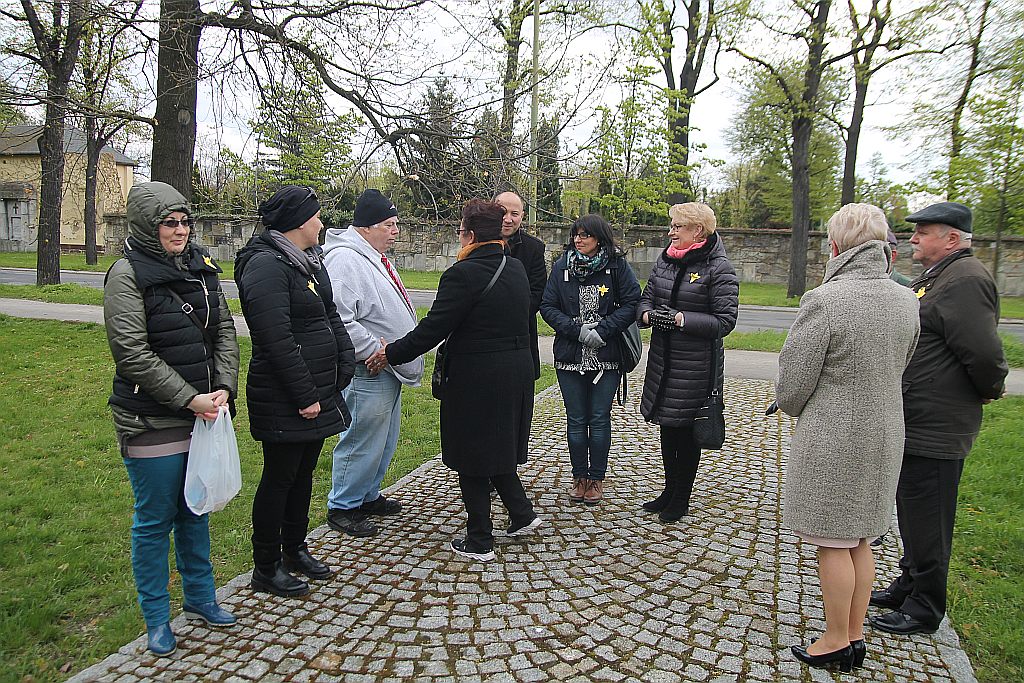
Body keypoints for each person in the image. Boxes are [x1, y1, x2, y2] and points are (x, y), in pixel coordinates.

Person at [775, 203, 920, 672]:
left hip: (836, 437)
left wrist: (795, 405)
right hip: (885, 431)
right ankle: (854, 633)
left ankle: (836, 638)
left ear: (835, 247)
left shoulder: (825, 300)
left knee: (833, 541)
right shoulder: (906, 299)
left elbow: (794, 385)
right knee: (860, 537)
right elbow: (904, 363)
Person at [103, 181, 240, 656]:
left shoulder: (202, 266)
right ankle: (157, 617)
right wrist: (190, 400)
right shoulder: (126, 274)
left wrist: (223, 387)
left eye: (184, 221)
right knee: (156, 518)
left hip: (203, 412)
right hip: (151, 418)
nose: (180, 230)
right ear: (147, 226)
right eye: (169, 222)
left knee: (195, 507)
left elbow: (224, 330)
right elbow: (132, 353)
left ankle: (201, 598)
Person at [368, 199, 540, 562]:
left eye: (460, 229)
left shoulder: (462, 274)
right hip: (516, 370)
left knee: (471, 453)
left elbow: (433, 329)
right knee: (498, 445)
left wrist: (390, 353)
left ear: (470, 234)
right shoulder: (515, 268)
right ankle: (521, 514)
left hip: (478, 376)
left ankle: (480, 537)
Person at [870, 201, 1008, 636]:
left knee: (929, 516)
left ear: (952, 239)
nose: (913, 239)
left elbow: (984, 352)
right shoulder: (940, 276)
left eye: (923, 232)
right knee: (911, 510)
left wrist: (990, 388)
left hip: (938, 421)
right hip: (917, 414)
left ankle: (925, 607)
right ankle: (909, 584)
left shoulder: (966, 280)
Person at [235, 186, 356, 597]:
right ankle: (266, 565)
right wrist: (305, 394)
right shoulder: (266, 266)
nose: (322, 223)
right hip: (286, 393)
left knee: (303, 474)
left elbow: (329, 314)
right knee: (280, 477)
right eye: (317, 216)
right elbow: (275, 338)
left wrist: (344, 361)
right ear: (299, 222)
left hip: (318, 387)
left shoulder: (308, 262)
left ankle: (295, 548)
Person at [323, 190, 424, 538]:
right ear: (366, 227)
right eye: (389, 225)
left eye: (396, 224)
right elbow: (339, 316)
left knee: (385, 436)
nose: (396, 231)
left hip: (388, 365)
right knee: (362, 437)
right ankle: (343, 505)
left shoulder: (372, 255)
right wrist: (372, 350)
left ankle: (367, 495)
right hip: (369, 367)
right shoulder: (345, 260)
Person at [636, 203, 738, 522]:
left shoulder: (718, 268)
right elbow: (646, 298)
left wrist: (682, 319)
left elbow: (725, 321)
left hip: (696, 366)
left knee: (687, 431)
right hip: (664, 362)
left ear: (698, 230)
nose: (671, 231)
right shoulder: (666, 260)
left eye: (678, 226)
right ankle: (669, 490)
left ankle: (681, 497)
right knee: (668, 426)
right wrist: (649, 315)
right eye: (672, 225)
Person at [539, 214, 640, 506]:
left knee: (598, 418)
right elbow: (548, 305)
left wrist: (605, 329)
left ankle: (596, 478)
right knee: (576, 419)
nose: (578, 240)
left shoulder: (616, 266)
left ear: (600, 238)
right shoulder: (562, 267)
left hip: (606, 358)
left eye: (585, 235)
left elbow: (633, 302)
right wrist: (577, 331)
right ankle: (578, 476)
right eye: (576, 234)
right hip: (570, 356)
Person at [496, 191, 548, 380]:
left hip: (520, 333)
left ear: (522, 216)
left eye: (514, 214)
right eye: (503, 212)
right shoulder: (478, 241)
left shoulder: (533, 248)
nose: (508, 219)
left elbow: (537, 293)